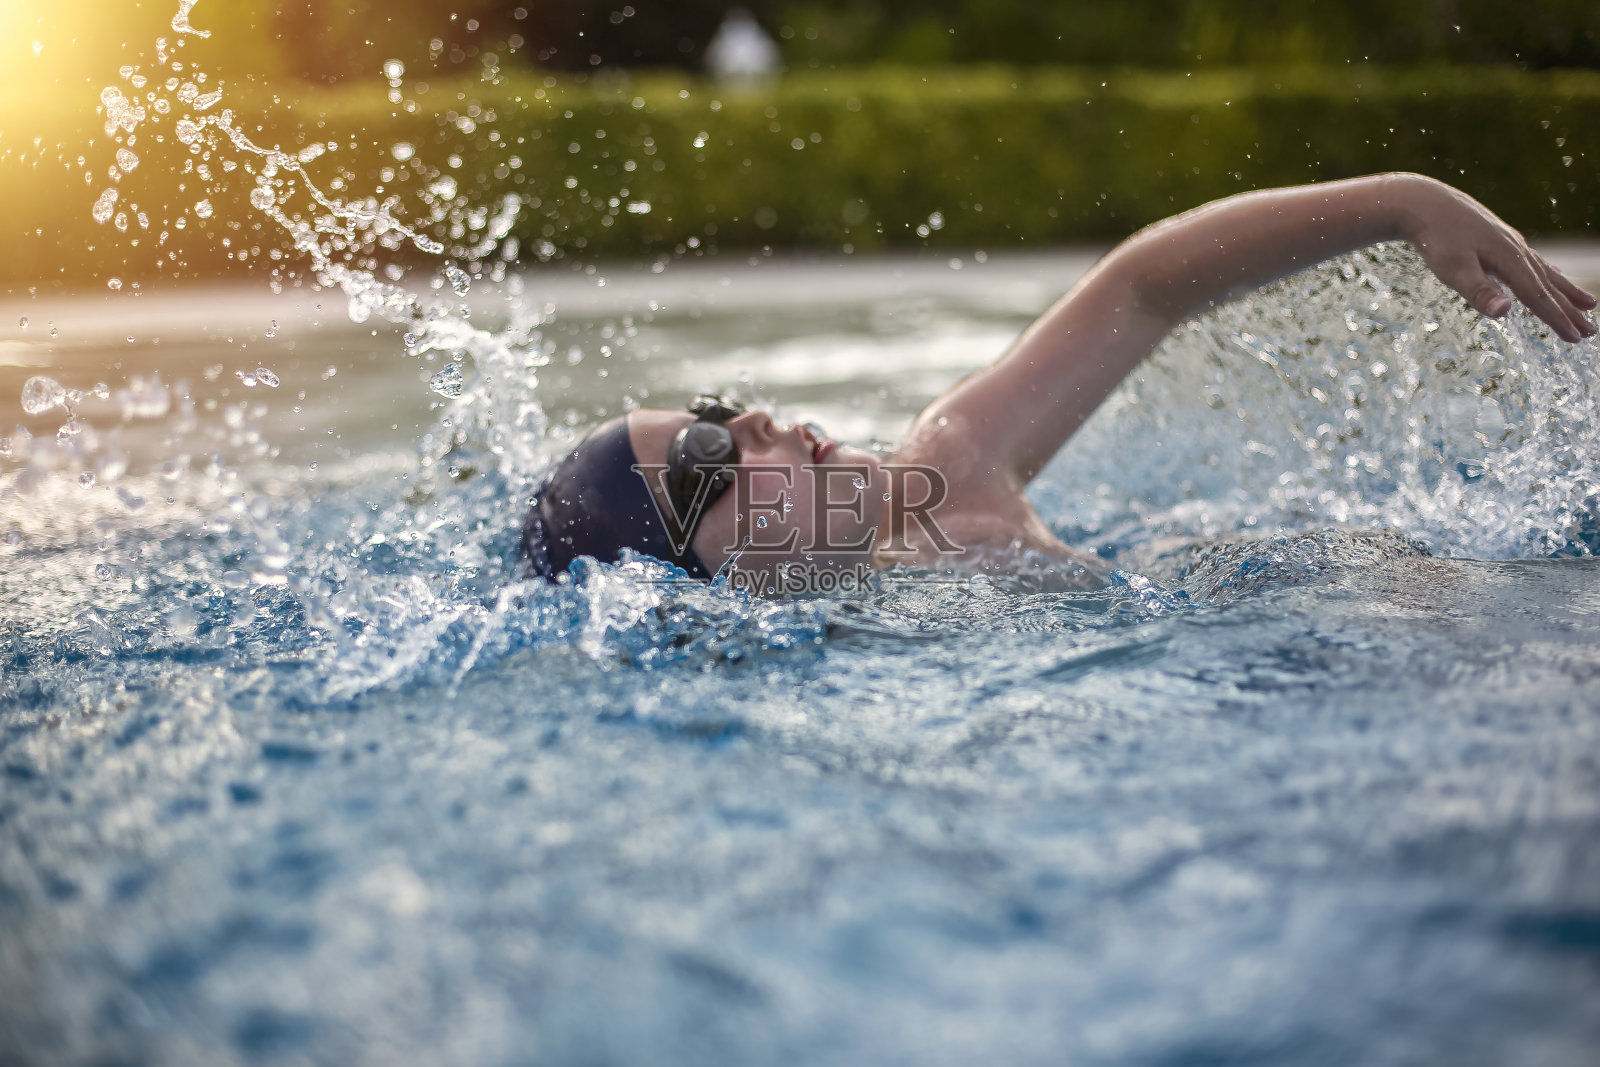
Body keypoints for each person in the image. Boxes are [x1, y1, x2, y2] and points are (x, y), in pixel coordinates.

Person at [522, 173, 1597, 590]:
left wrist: (1398, 201)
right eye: (710, 453)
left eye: (718, 410)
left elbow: (1140, 290)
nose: (747, 416)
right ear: (688, 585)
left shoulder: (944, 481)